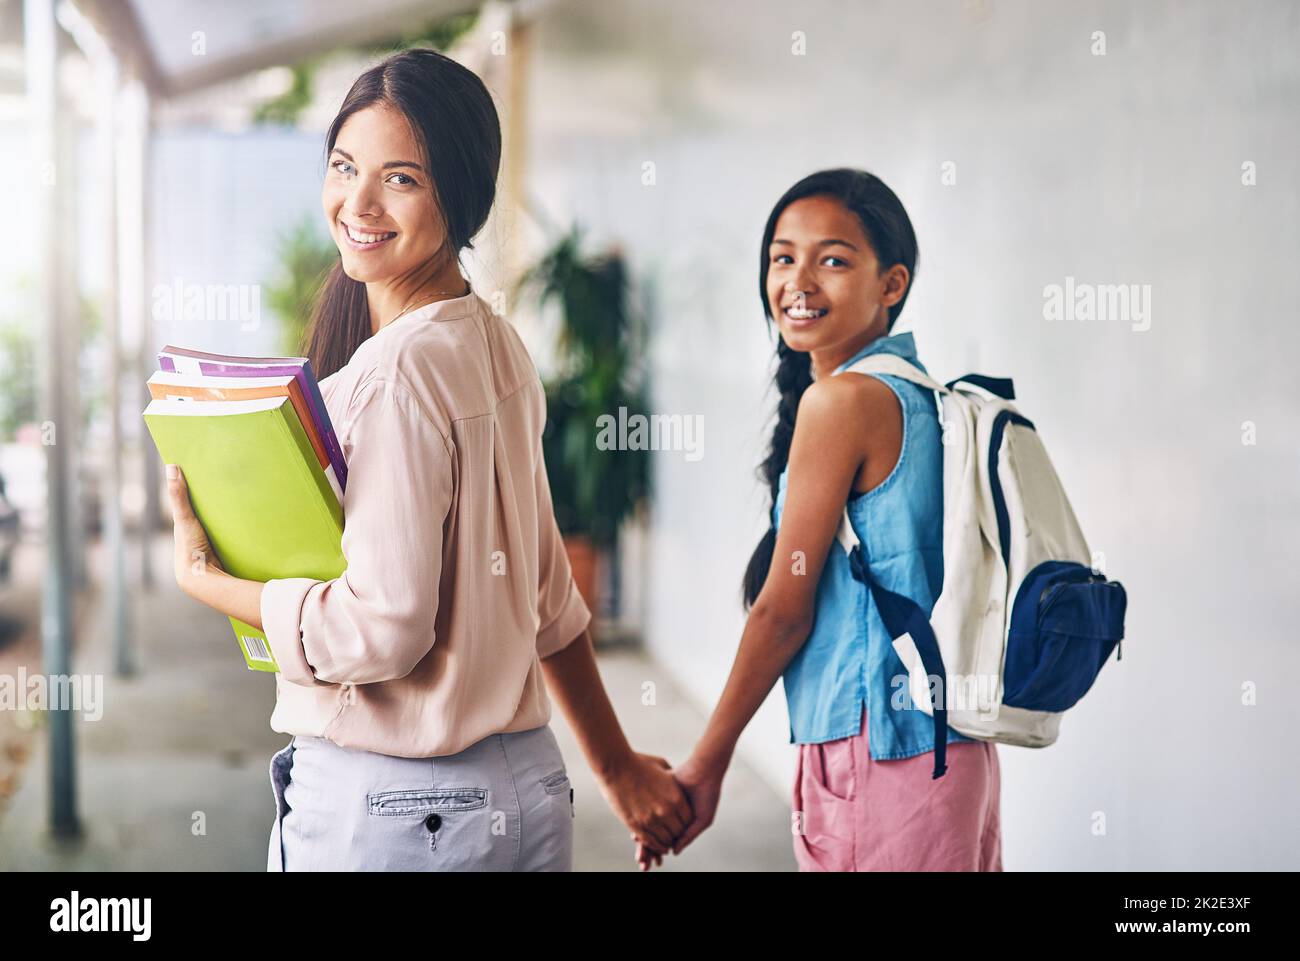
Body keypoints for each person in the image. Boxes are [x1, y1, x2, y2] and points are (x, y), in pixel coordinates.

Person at [165, 47, 690, 871]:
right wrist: (617, 768)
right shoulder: (498, 347)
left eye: (402, 179)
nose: (359, 202)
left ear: (462, 193)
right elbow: (550, 597)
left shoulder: (397, 372)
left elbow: (385, 629)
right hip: (522, 789)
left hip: (400, 812)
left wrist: (212, 582)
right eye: (344, 167)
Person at [643, 168, 1001, 871]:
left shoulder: (843, 403)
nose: (799, 281)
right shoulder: (922, 396)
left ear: (891, 283)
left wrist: (707, 763)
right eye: (783, 257)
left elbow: (783, 612)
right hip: (951, 753)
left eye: (833, 259)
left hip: (880, 756)